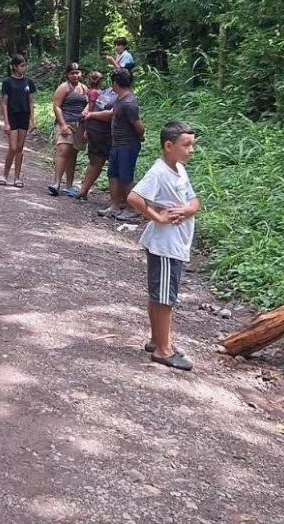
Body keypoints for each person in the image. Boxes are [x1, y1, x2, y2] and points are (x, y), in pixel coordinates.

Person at [125, 121, 199, 372]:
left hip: (176, 244)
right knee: (165, 298)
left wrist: (187, 209)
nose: (191, 150)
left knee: (161, 294)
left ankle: (158, 339)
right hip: (165, 245)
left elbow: (194, 201)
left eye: (193, 145)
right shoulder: (159, 172)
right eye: (186, 145)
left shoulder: (178, 169)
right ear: (169, 146)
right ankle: (163, 349)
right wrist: (157, 217)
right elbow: (134, 197)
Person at [105, 68, 144, 221]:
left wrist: (140, 136)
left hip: (127, 145)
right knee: (113, 175)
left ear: (115, 83)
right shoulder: (120, 99)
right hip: (116, 144)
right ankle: (114, 206)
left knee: (126, 177)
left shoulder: (129, 103)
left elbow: (139, 127)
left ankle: (132, 208)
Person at [49, 62, 88, 196]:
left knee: (73, 154)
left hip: (80, 125)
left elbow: (89, 103)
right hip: (65, 123)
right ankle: (56, 183)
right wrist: (63, 125)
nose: (75, 75)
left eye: (77, 73)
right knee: (63, 151)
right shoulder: (64, 88)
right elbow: (57, 106)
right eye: (72, 73)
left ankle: (69, 185)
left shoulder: (84, 88)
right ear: (67, 74)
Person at [72, 71, 113, 201]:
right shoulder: (107, 93)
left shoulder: (109, 94)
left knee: (103, 164)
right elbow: (93, 109)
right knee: (98, 162)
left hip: (104, 133)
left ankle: (118, 199)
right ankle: (84, 190)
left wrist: (90, 118)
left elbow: (98, 111)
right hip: (99, 133)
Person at [0, 53, 36, 188]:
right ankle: (4, 175)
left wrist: (32, 120)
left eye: (25, 65)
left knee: (20, 148)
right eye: (22, 66)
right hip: (12, 116)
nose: (24, 68)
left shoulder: (29, 82)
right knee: (13, 148)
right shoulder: (7, 82)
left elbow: (31, 102)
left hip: (24, 116)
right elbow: (4, 103)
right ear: (14, 67)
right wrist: (6, 122)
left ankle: (17, 177)